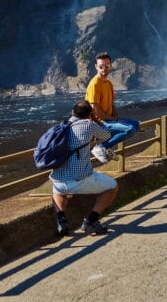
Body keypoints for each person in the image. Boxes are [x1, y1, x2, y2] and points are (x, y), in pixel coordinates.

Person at [50, 100, 118, 236]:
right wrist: (94, 124)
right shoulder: (89, 125)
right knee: (113, 187)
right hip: (80, 179)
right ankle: (91, 221)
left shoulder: (62, 126)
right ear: (90, 115)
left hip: (58, 180)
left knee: (58, 191)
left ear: (72, 112)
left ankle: (61, 220)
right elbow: (106, 136)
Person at [85, 52, 140, 164]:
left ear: (110, 66)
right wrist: (113, 120)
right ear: (96, 66)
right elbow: (95, 110)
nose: (104, 69)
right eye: (101, 66)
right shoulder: (94, 84)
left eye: (107, 66)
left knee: (136, 124)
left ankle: (107, 147)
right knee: (130, 129)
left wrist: (116, 118)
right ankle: (101, 147)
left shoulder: (108, 83)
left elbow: (111, 103)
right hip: (99, 123)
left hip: (109, 120)